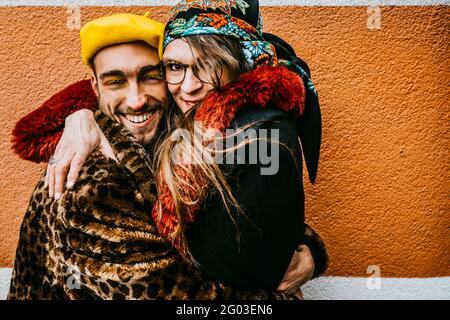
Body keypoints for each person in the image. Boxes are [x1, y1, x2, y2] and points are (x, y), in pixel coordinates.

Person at [11, 0, 327, 299]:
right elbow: (173, 293)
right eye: (116, 81)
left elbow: (233, 213)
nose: (136, 100)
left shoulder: (172, 137)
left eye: (151, 77)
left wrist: (303, 247)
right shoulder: (86, 181)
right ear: (95, 88)